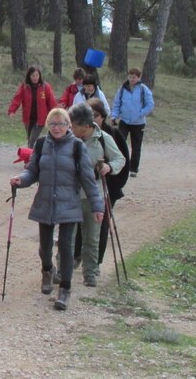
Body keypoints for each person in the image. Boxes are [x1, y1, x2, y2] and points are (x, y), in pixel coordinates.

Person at [9, 107, 103, 311]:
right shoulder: (42, 144)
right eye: (53, 124)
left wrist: (97, 206)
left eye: (61, 124)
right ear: (48, 126)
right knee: (44, 247)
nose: (57, 128)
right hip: (45, 201)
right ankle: (47, 270)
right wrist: (20, 180)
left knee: (66, 247)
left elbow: (88, 180)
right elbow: (32, 171)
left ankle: (65, 289)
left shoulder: (77, 147)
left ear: (69, 125)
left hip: (69, 203)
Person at [68, 102, 124, 287]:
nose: (70, 128)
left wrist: (109, 167)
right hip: (71, 194)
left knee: (92, 237)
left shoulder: (103, 138)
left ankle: (90, 273)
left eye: (74, 125)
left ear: (86, 126)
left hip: (95, 195)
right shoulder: (68, 137)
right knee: (67, 237)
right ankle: (63, 271)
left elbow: (119, 159)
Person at [111, 67, 155, 178]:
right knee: (120, 143)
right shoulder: (122, 89)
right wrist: (114, 116)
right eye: (130, 77)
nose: (131, 79)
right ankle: (120, 166)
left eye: (134, 77)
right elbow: (117, 103)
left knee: (136, 146)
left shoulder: (143, 89)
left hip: (138, 123)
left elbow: (150, 104)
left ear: (138, 77)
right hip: (124, 121)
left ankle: (134, 168)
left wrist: (140, 114)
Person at [7, 65, 58, 147]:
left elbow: (51, 102)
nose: (35, 78)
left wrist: (56, 114)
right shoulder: (24, 87)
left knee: (32, 141)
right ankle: (32, 156)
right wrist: (12, 111)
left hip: (40, 119)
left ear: (39, 75)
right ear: (29, 76)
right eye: (33, 75)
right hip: (28, 119)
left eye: (37, 75)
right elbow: (17, 99)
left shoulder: (45, 87)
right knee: (30, 140)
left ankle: (30, 159)